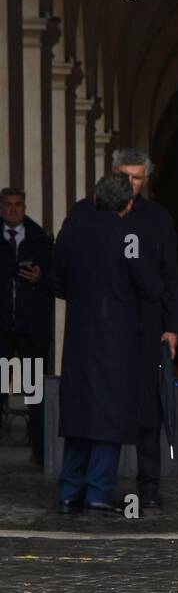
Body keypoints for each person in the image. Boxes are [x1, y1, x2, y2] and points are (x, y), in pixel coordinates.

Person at [53, 173, 161, 514]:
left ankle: (70, 490)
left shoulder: (72, 230)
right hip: (117, 339)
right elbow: (149, 286)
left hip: (79, 337)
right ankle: (98, 490)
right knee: (108, 415)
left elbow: (56, 281)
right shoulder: (127, 235)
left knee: (80, 412)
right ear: (128, 204)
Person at [112, 148, 178, 509]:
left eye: (137, 177)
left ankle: (150, 487)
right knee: (107, 403)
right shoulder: (102, 213)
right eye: (124, 176)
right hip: (110, 326)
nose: (130, 183)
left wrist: (173, 326)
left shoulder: (158, 217)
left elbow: (171, 272)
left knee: (148, 408)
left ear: (146, 178)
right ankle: (102, 486)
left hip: (150, 324)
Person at [0, 186, 53, 465]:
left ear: (24, 207)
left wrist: (40, 278)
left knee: (35, 394)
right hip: (1, 331)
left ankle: (41, 454)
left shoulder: (39, 240)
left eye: (18, 204)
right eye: (8, 204)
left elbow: (57, 281)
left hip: (29, 330)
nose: (12, 209)